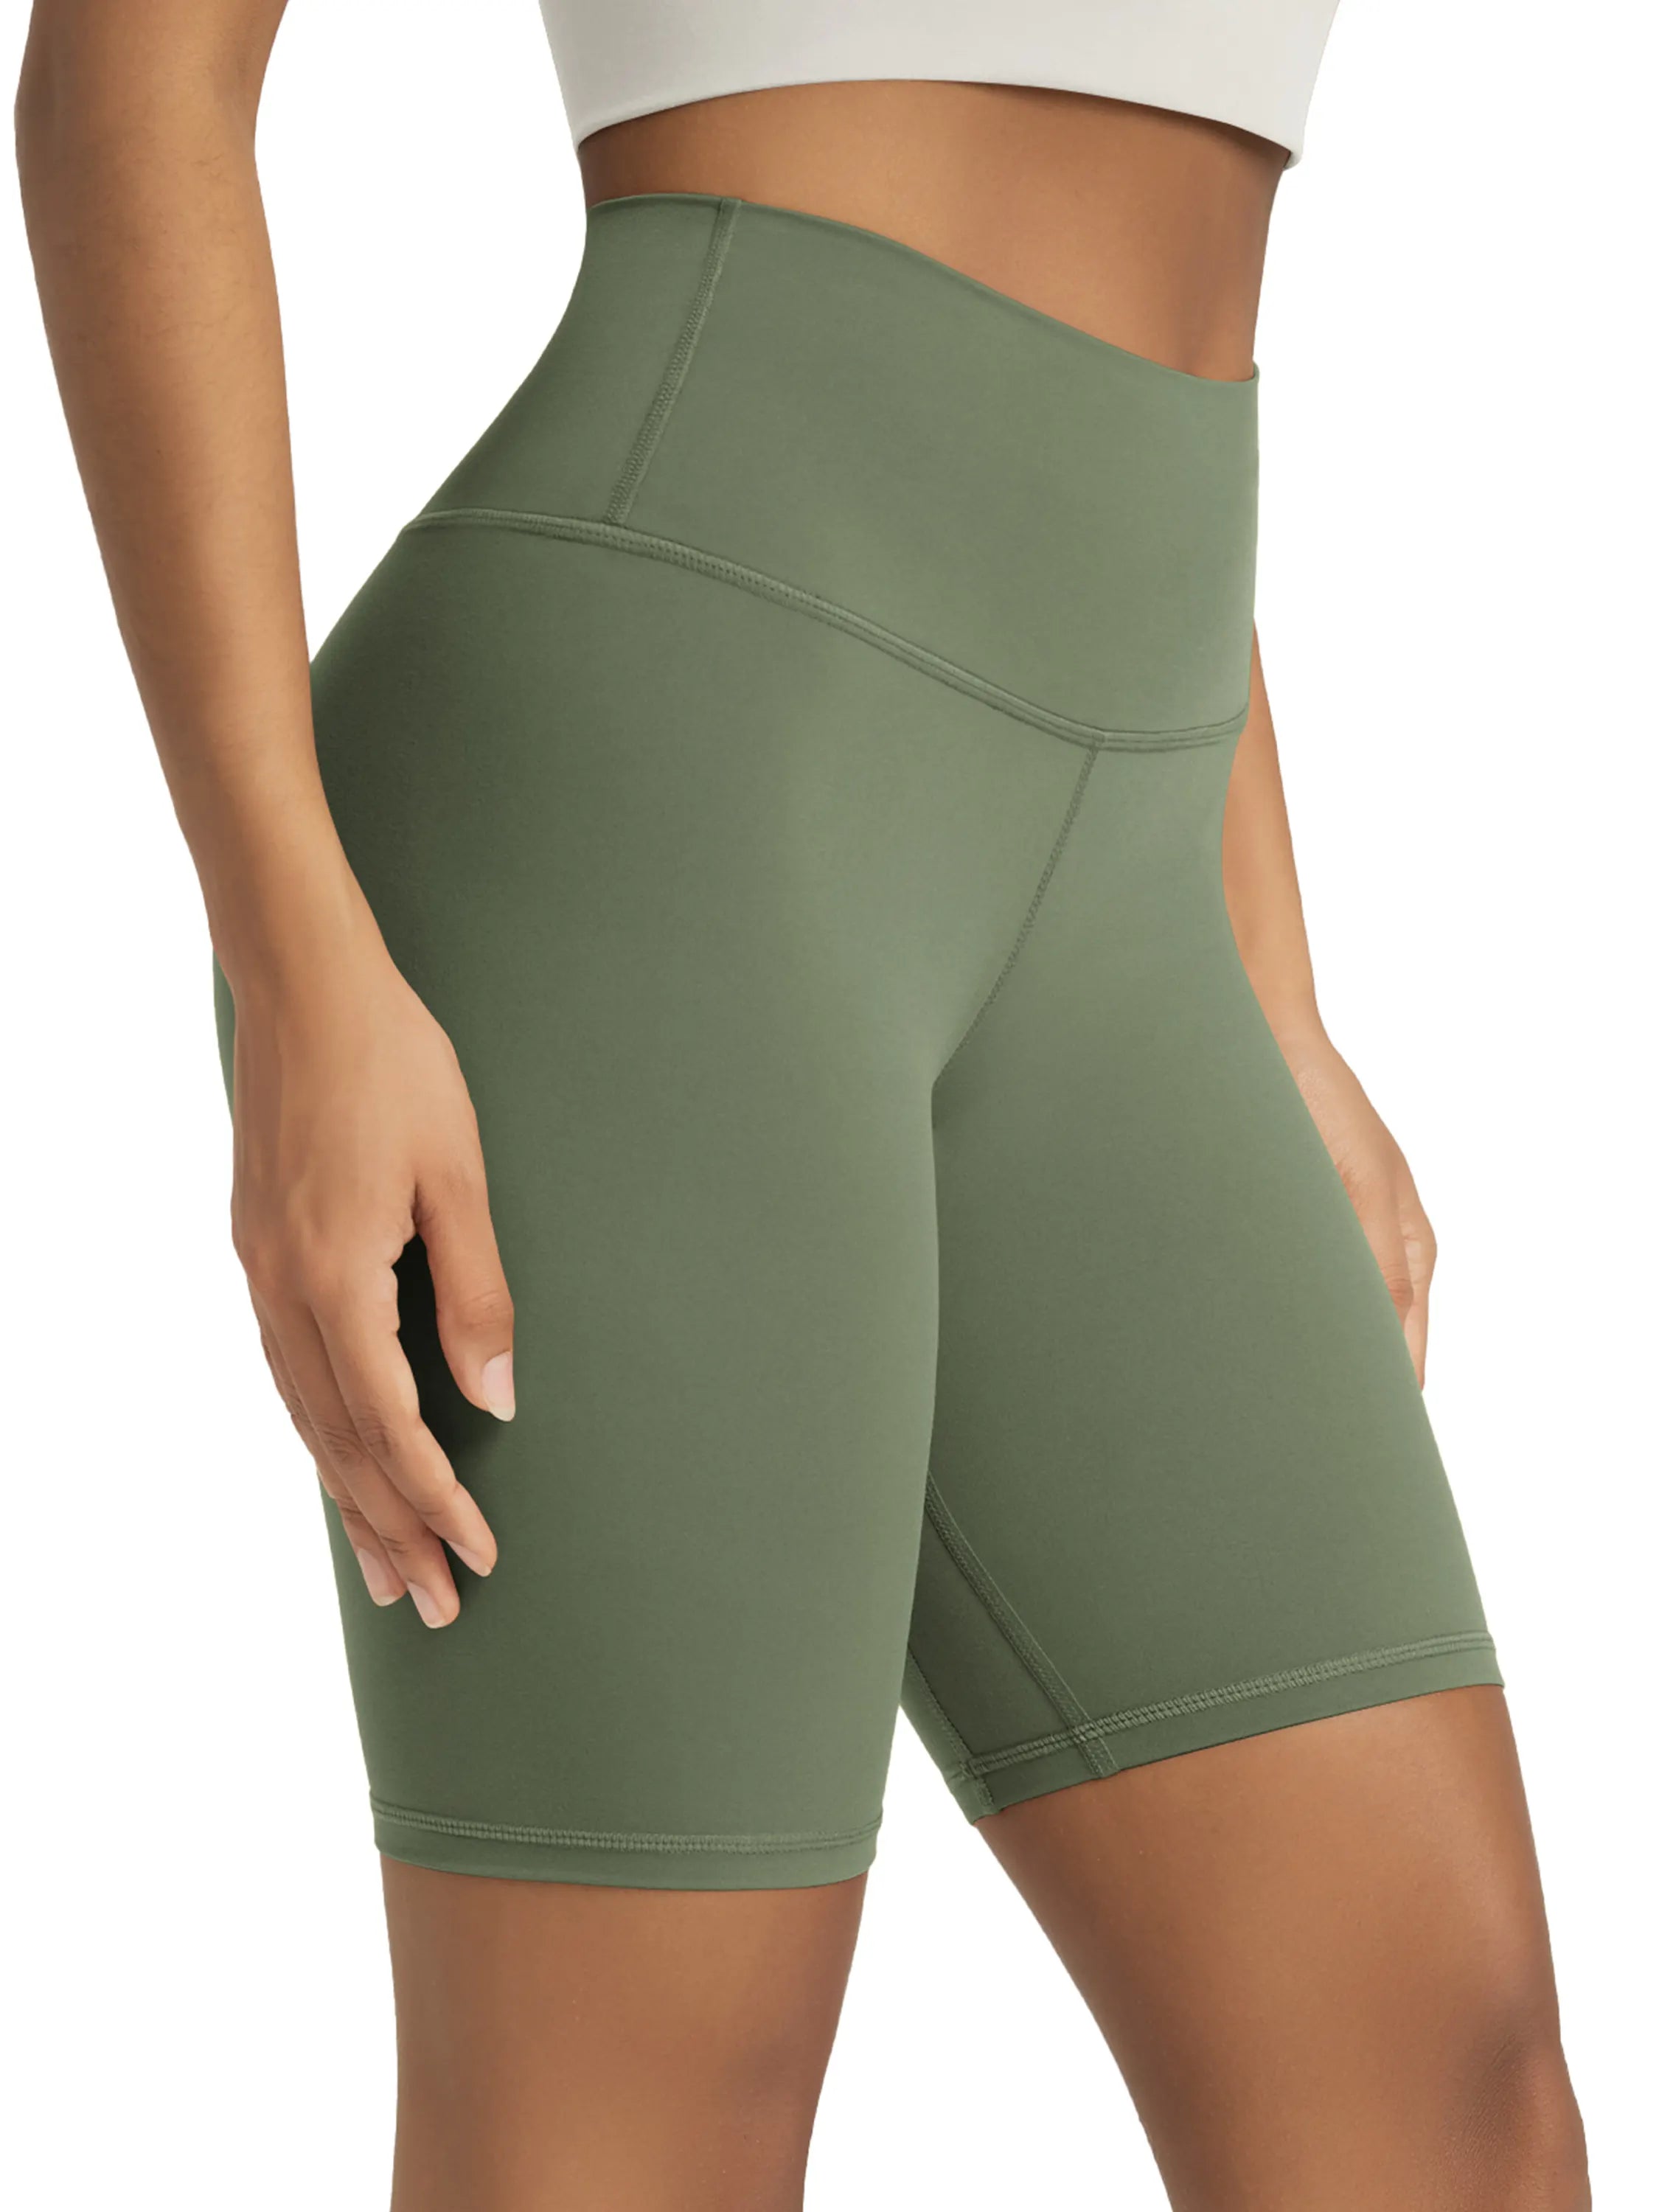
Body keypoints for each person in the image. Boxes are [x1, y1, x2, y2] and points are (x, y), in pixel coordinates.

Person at [16, 4, 1591, 2205]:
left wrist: (1267, 977)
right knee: (631, 2132)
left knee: (1439, 2090)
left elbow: (1126, 318)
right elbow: (128, 81)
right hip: (648, 802)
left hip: (1126, 844)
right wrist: (294, 955)